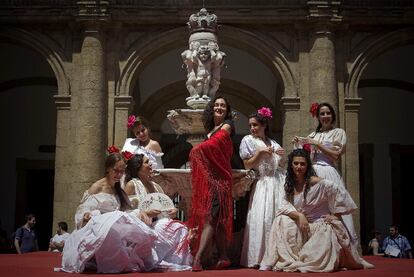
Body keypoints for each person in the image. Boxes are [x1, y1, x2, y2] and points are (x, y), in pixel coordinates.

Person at [260, 149, 374, 272]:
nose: (299, 167)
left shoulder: (316, 182)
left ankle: (306, 259)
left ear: (307, 166)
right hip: (302, 223)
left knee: (318, 250)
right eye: (296, 163)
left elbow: (339, 192)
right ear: (291, 165)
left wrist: (335, 214)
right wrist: (299, 215)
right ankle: (277, 260)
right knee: (280, 220)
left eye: (302, 164)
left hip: (319, 224)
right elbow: (282, 205)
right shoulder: (289, 183)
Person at [59, 150, 158, 273]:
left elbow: (126, 211)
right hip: (97, 227)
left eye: (122, 171)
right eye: (115, 170)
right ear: (108, 169)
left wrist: (140, 213)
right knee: (112, 232)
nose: (119, 174)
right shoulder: (98, 187)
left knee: (137, 230)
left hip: (115, 227)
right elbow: (83, 209)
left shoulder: (119, 191)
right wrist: (85, 216)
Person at [292, 102, 358, 246]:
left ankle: (343, 247)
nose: (325, 116)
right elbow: (304, 156)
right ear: (318, 116)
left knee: (334, 206)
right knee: (314, 208)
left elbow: (336, 155)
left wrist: (317, 144)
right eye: (322, 113)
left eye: (328, 113)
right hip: (313, 174)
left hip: (328, 171)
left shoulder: (338, 132)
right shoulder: (313, 134)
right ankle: (316, 246)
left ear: (332, 115)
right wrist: (299, 144)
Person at [187, 95, 235, 271]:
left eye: (223, 105)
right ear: (212, 108)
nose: (219, 108)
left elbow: (216, 143)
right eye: (216, 105)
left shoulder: (227, 126)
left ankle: (198, 258)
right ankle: (223, 256)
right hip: (211, 179)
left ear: (227, 110)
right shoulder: (210, 128)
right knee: (219, 220)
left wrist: (197, 148)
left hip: (221, 180)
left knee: (210, 218)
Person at [124, 153, 192, 271]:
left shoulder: (156, 186)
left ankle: (173, 260)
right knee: (164, 225)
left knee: (180, 228)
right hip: (141, 226)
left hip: (158, 223)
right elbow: (124, 211)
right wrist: (145, 213)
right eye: (146, 162)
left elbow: (165, 207)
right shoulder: (132, 185)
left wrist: (172, 211)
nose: (150, 164)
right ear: (138, 167)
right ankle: (152, 259)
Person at [239, 107, 286, 268]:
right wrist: (260, 153)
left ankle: (278, 256)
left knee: (275, 217)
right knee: (263, 218)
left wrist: (282, 155)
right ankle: (258, 257)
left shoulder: (273, 142)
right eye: (250, 125)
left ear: (264, 125)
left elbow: (281, 166)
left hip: (277, 183)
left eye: (255, 125)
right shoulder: (248, 140)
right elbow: (247, 164)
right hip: (263, 183)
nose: (252, 128)